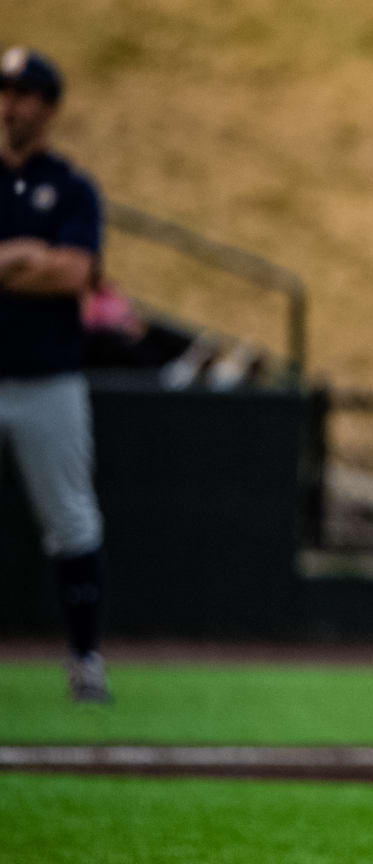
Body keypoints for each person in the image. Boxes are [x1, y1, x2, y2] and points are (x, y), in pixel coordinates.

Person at [0, 46, 112, 703]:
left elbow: (75, 272)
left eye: (26, 93)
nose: (12, 104)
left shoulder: (69, 186)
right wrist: (20, 257)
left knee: (71, 521)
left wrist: (26, 264)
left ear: (48, 106)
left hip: (50, 378)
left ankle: (85, 660)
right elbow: (50, 266)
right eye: (7, 91)